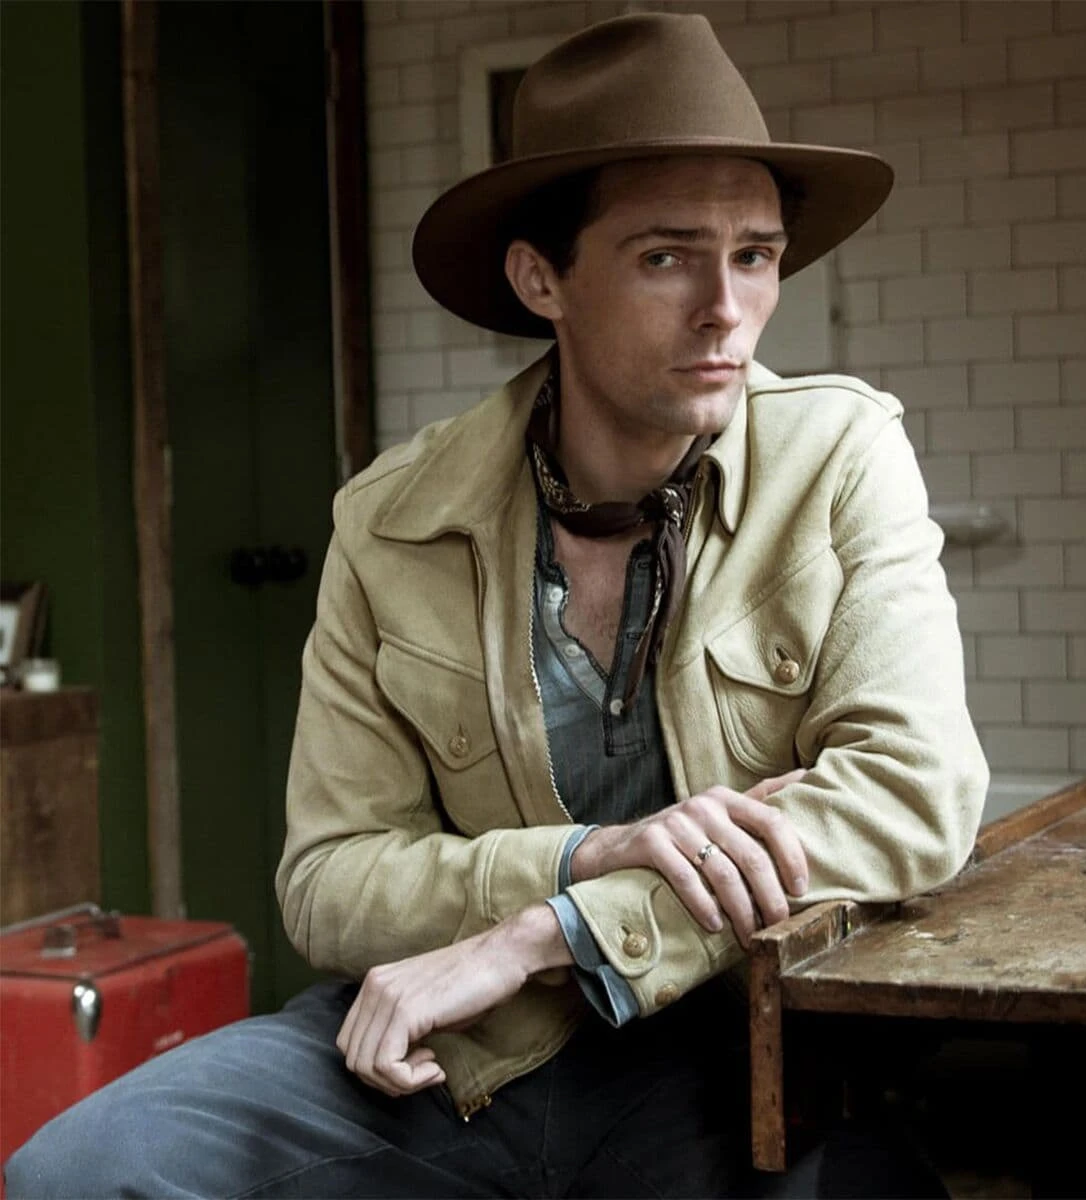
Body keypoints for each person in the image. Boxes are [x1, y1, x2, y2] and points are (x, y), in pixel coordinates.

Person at [6, 13, 987, 1198]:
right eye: (666, 258)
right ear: (541, 278)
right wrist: (586, 854)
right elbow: (328, 881)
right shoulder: (393, 519)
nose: (726, 308)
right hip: (458, 1046)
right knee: (80, 1169)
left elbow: (912, 795)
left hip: (719, 1043)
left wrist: (550, 929)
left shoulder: (838, 456)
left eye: (755, 255)